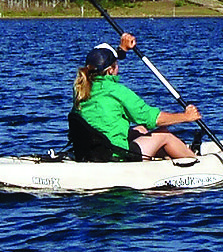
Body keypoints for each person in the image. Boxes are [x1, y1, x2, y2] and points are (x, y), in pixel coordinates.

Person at [70, 33, 201, 160]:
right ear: (110, 70)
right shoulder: (117, 91)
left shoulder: (80, 89)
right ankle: (196, 162)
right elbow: (151, 118)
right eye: (116, 64)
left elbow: (108, 62)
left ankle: (167, 157)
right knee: (164, 134)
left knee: (140, 130)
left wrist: (122, 50)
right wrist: (186, 117)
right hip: (116, 154)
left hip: (93, 150)